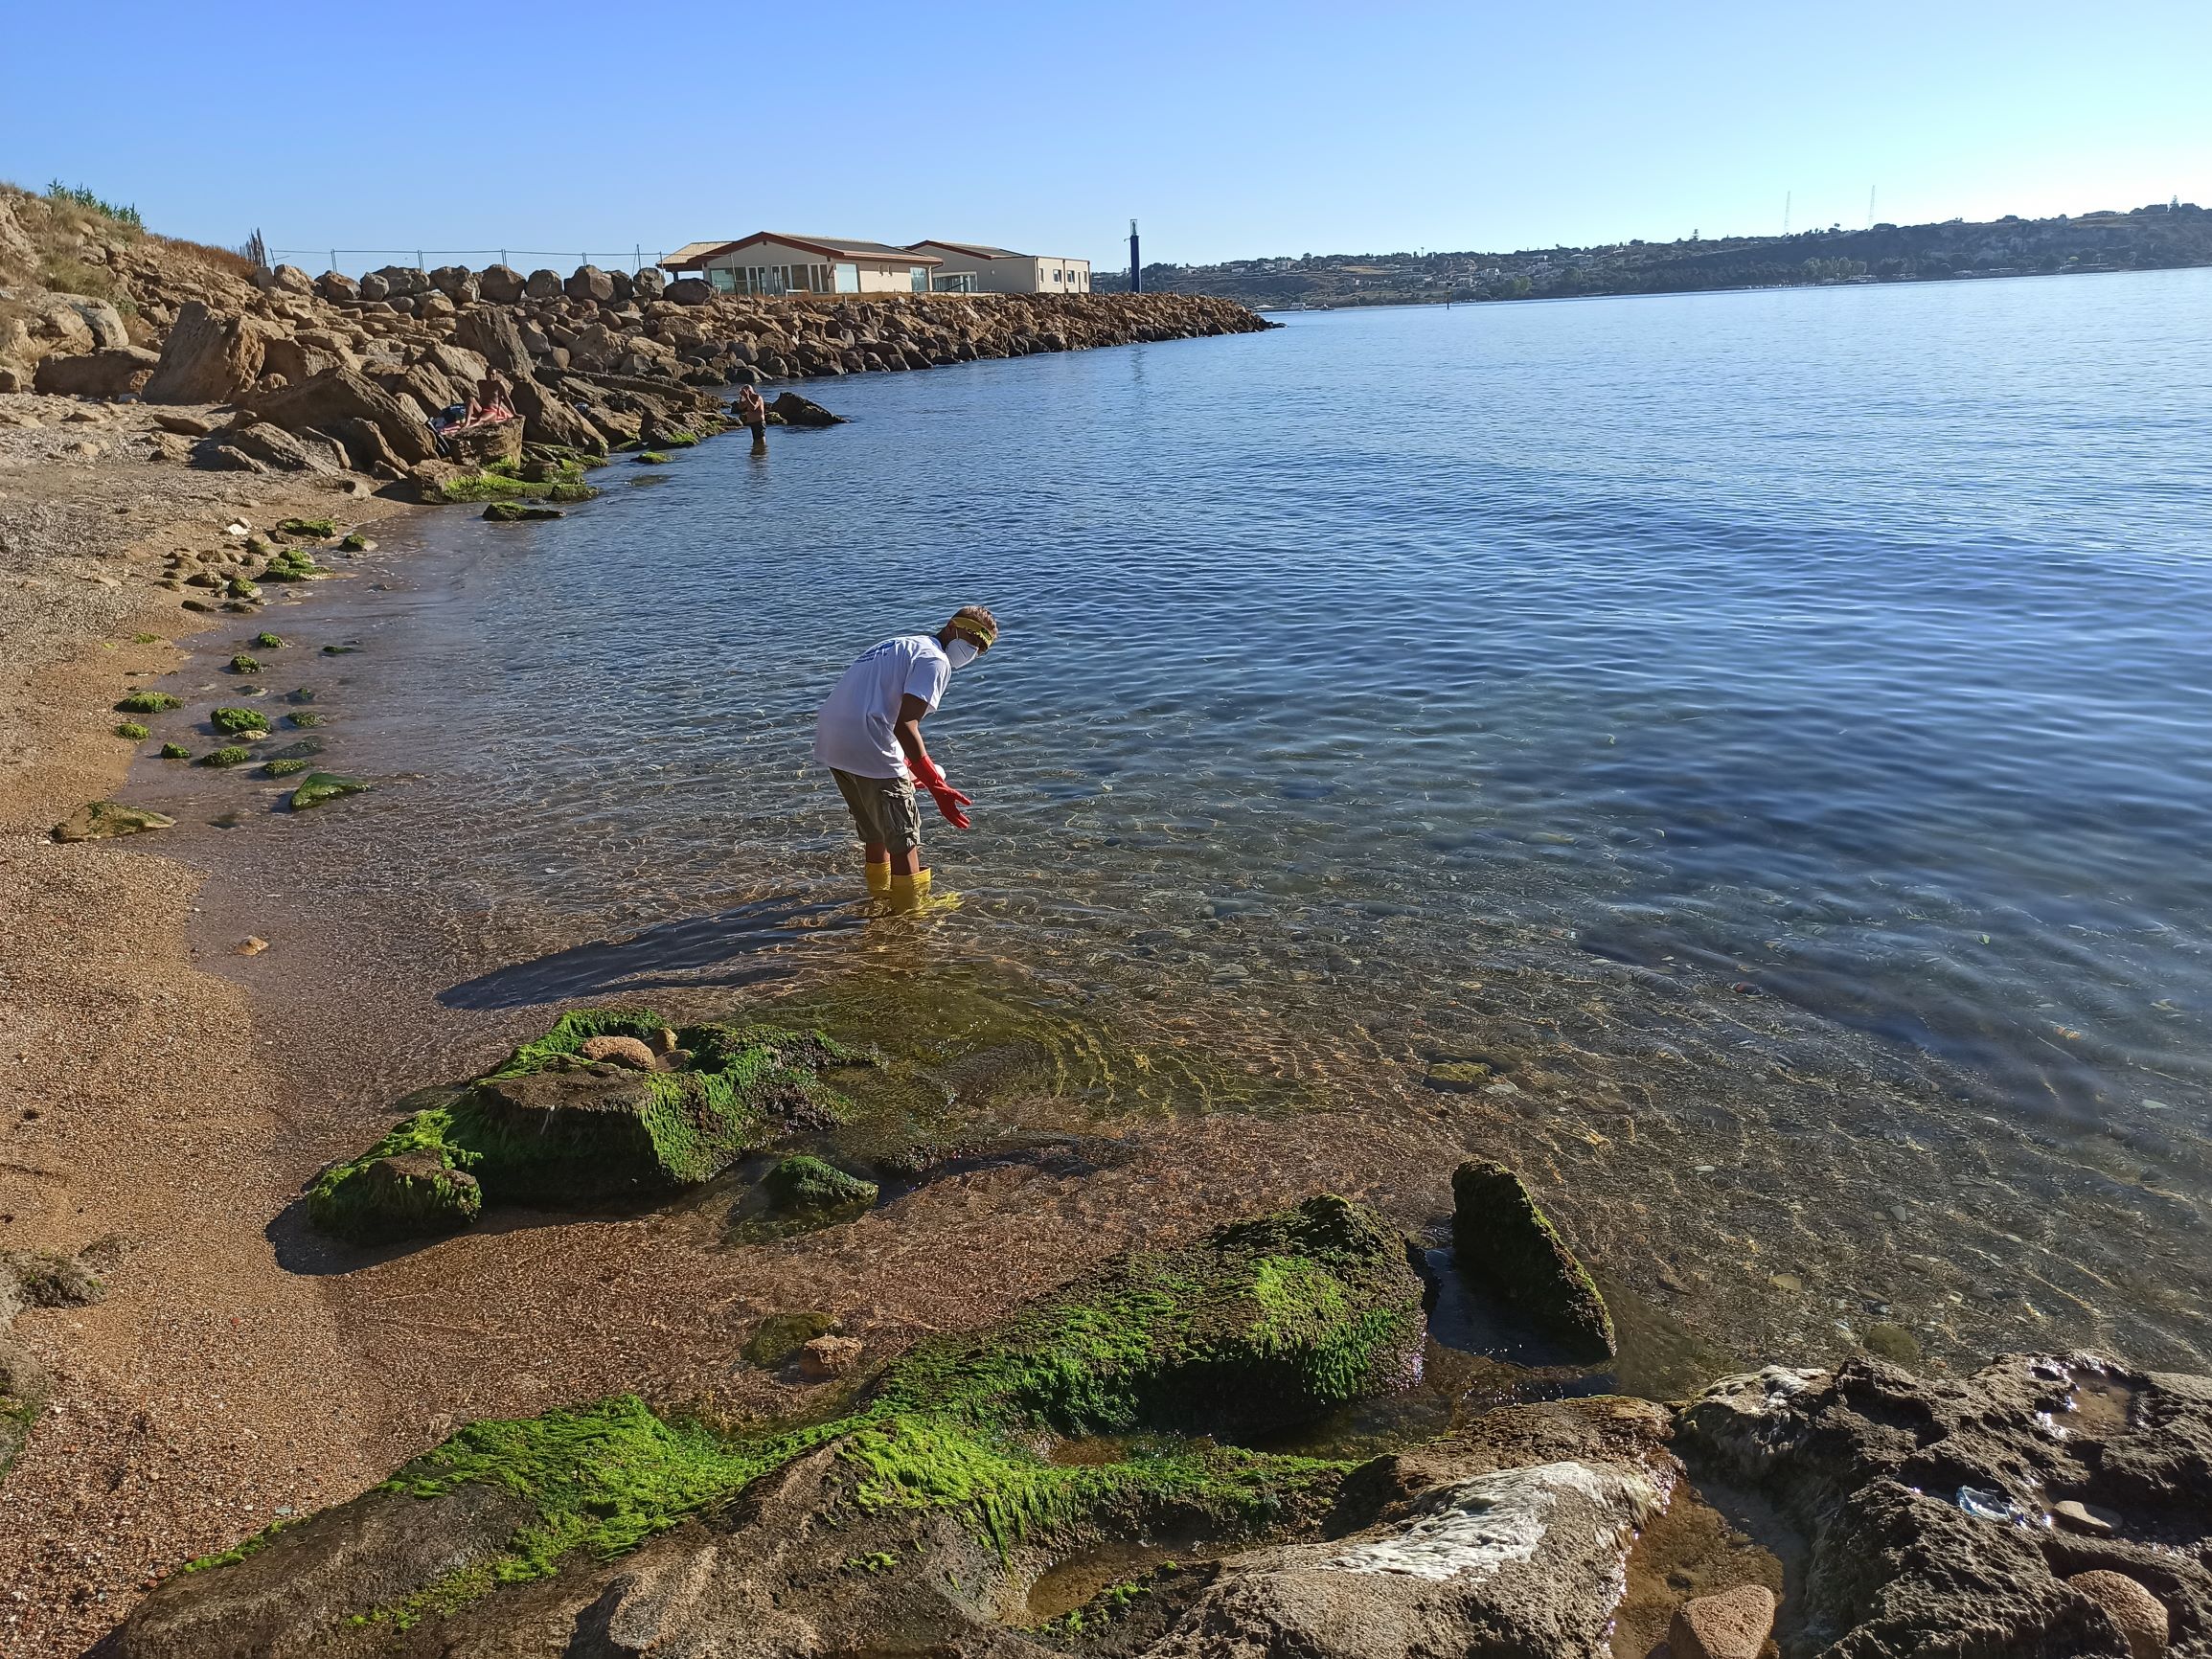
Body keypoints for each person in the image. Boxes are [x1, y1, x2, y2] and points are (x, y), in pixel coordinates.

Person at [812, 606, 998, 909]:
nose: (975, 650)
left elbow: (879, 708)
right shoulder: (936, 660)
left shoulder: (902, 644)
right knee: (904, 838)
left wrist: (912, 768)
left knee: (875, 830)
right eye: (974, 639)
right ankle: (910, 915)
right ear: (953, 627)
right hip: (868, 740)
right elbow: (904, 725)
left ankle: (879, 897)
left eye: (982, 648)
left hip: (833, 739)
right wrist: (937, 786)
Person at [735, 381, 768, 453]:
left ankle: (762, 455)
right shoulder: (748, 399)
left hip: (759, 422)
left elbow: (753, 407)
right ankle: (756, 454)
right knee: (756, 441)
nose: (747, 393)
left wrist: (747, 397)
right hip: (752, 423)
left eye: (747, 391)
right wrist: (741, 397)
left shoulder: (757, 397)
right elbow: (741, 407)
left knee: (760, 441)